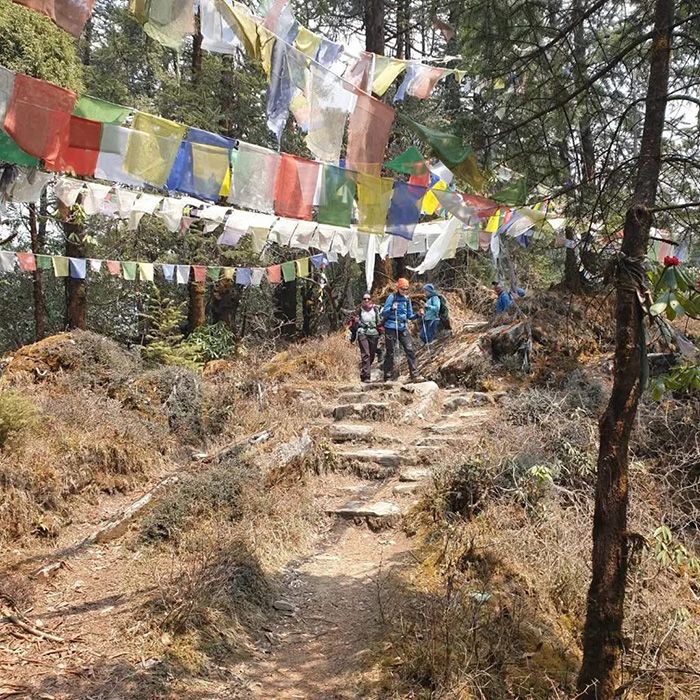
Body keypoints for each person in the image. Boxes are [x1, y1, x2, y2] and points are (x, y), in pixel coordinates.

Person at [382, 278, 422, 382]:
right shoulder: (392, 297)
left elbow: (410, 316)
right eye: (402, 289)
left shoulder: (407, 299)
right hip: (391, 327)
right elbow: (384, 313)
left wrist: (418, 315)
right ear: (398, 288)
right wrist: (391, 309)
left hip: (402, 327)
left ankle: (415, 375)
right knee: (391, 351)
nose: (404, 291)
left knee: (409, 349)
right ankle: (388, 376)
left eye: (406, 289)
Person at [355, 291, 383, 382]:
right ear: (362, 300)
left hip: (374, 333)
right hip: (362, 332)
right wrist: (358, 323)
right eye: (364, 299)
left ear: (371, 300)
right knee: (366, 354)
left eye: (368, 298)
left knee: (371, 354)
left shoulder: (375, 309)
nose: (366, 300)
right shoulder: (359, 310)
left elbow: (379, 321)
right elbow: (356, 321)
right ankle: (367, 376)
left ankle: (363, 372)